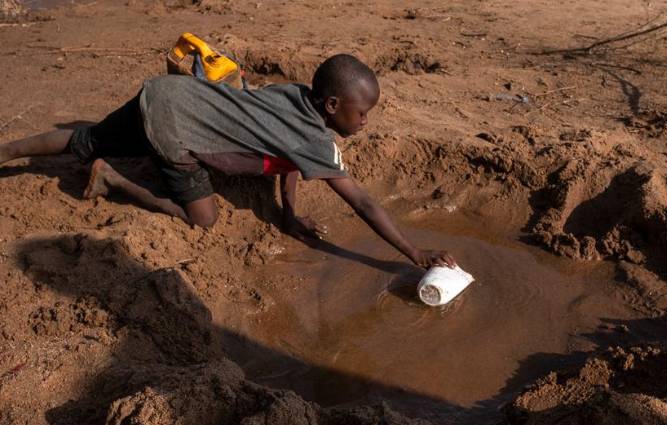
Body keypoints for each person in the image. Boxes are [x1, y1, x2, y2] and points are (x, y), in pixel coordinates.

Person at [0, 54, 456, 269]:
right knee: (204, 220)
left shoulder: (294, 94)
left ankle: (8, 151)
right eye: (363, 114)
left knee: (86, 138)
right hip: (177, 132)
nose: (365, 124)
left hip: (164, 94)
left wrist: (289, 213)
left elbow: (286, 159)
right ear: (334, 105)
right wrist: (414, 251)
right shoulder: (319, 141)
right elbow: (364, 203)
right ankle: (114, 180)